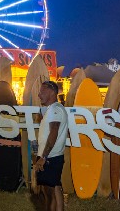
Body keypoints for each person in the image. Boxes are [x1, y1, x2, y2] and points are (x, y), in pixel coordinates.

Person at [34, 81, 68, 211]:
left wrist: (44, 157)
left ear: (52, 92)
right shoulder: (55, 109)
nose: (39, 94)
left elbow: (54, 132)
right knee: (55, 188)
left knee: (48, 194)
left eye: (42, 91)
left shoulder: (55, 109)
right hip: (53, 157)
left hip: (50, 158)